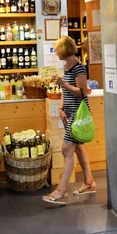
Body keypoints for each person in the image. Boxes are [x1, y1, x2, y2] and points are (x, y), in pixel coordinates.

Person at [43, 36, 95, 205]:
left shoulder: (79, 68)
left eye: (57, 49)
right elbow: (67, 93)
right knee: (79, 148)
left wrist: (63, 83)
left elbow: (82, 92)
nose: (56, 52)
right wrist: (61, 108)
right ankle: (89, 182)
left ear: (64, 49)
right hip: (71, 113)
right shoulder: (67, 67)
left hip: (78, 116)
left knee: (66, 149)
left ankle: (61, 190)